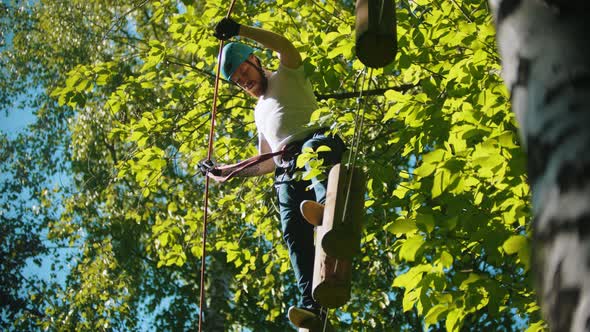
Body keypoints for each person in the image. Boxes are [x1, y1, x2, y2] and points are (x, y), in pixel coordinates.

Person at [200, 18, 345, 330]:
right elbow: (266, 161)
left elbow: (284, 44)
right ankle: (313, 307)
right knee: (293, 233)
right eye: (238, 81)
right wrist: (224, 172)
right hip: (287, 168)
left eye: (245, 71)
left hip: (318, 143)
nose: (244, 80)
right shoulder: (258, 113)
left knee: (309, 156)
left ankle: (328, 209)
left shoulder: (288, 73)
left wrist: (240, 30)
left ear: (256, 60)